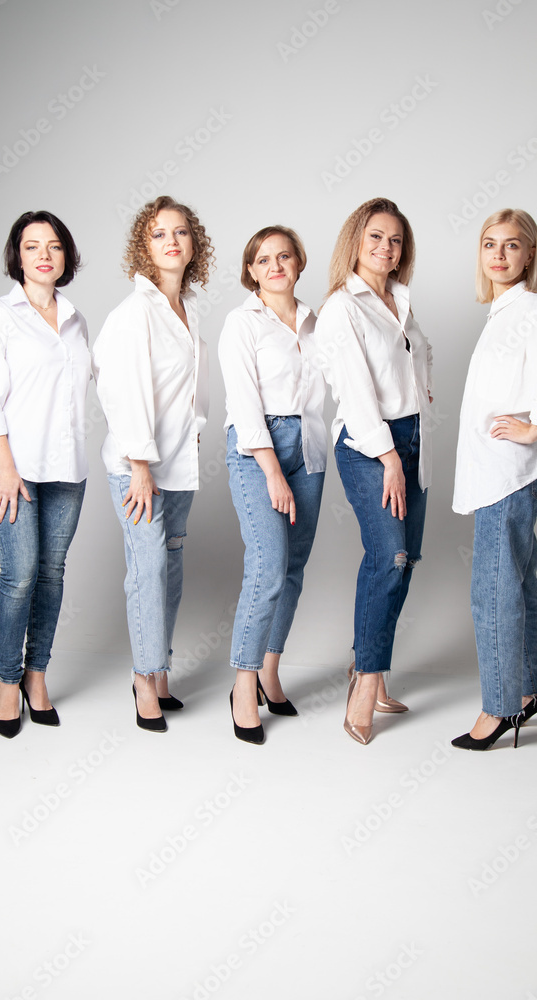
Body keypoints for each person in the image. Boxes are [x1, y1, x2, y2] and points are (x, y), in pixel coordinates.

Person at [451, 209, 537, 751]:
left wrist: (535, 427)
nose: (499, 254)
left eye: (511, 245)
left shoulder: (531, 308)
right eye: (490, 244)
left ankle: (499, 706)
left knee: (492, 588)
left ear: (530, 253)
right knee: (519, 580)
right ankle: (533, 690)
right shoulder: (505, 312)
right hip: (501, 471)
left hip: (509, 473)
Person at [92, 196, 213, 732]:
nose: (171, 241)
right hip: (138, 467)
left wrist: (196, 427)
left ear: (194, 244)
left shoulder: (186, 308)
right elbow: (120, 389)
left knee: (172, 568)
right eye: (159, 233)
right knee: (148, 570)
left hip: (179, 462)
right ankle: (144, 678)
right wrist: (139, 462)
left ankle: (160, 669)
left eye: (181, 232)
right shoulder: (135, 311)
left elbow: (187, 385)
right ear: (144, 246)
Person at [315, 198, 433, 745]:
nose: (387, 248)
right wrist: (389, 458)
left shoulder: (400, 301)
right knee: (390, 556)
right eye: (376, 237)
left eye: (395, 240)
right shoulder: (343, 307)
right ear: (355, 242)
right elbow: (356, 391)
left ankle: (373, 668)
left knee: (406, 563)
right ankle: (363, 684)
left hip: (414, 440)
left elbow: (413, 371)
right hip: (370, 444)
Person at [0, 210, 90, 738]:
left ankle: (37, 676)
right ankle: (7, 680)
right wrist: (5, 468)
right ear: (17, 256)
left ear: (66, 256)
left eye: (54, 245)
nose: (44, 254)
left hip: (67, 470)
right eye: (32, 245)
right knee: (19, 576)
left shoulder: (77, 320)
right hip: (12, 471)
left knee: (51, 574)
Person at [219, 226, 327, 744]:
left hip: (310, 444)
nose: (275, 266)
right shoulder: (242, 323)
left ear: (298, 262)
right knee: (267, 567)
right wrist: (272, 471)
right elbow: (243, 403)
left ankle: (269, 671)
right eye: (264, 259)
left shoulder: (316, 321)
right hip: (258, 446)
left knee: (292, 568)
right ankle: (243, 685)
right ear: (251, 271)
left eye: (284, 256)